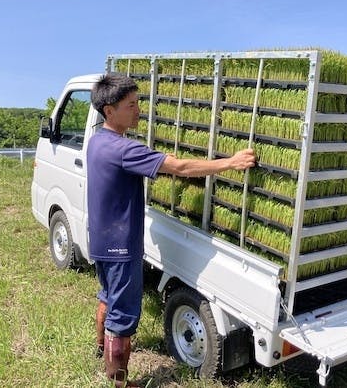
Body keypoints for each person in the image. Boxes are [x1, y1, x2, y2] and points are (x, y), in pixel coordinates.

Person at [87, 73, 256, 387]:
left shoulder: (99, 140)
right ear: (109, 111)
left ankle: (100, 349)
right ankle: (119, 382)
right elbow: (180, 168)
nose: (139, 110)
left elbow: (150, 166)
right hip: (121, 246)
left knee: (108, 297)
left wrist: (163, 162)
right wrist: (230, 163)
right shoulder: (124, 150)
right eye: (131, 105)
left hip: (101, 239)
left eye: (138, 102)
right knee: (122, 319)